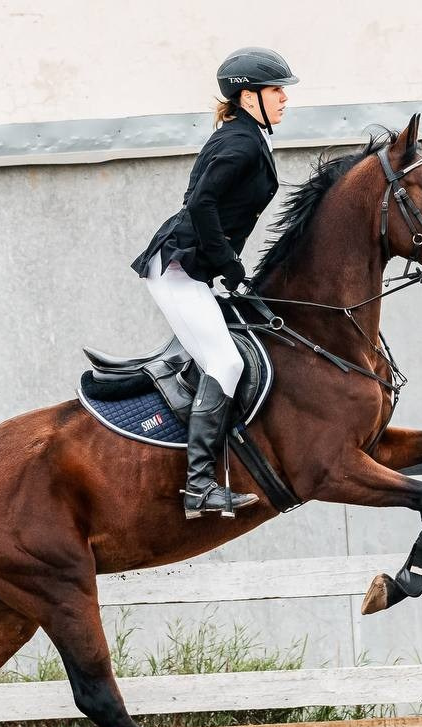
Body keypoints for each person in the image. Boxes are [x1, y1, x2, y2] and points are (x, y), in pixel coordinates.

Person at [130, 47, 298, 519]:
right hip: (178, 269)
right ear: (249, 97)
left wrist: (224, 263)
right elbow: (200, 202)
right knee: (225, 363)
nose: (285, 98)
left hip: (192, 266)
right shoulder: (240, 143)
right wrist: (227, 262)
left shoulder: (243, 136)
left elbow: (201, 198)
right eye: (276, 90)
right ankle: (199, 486)